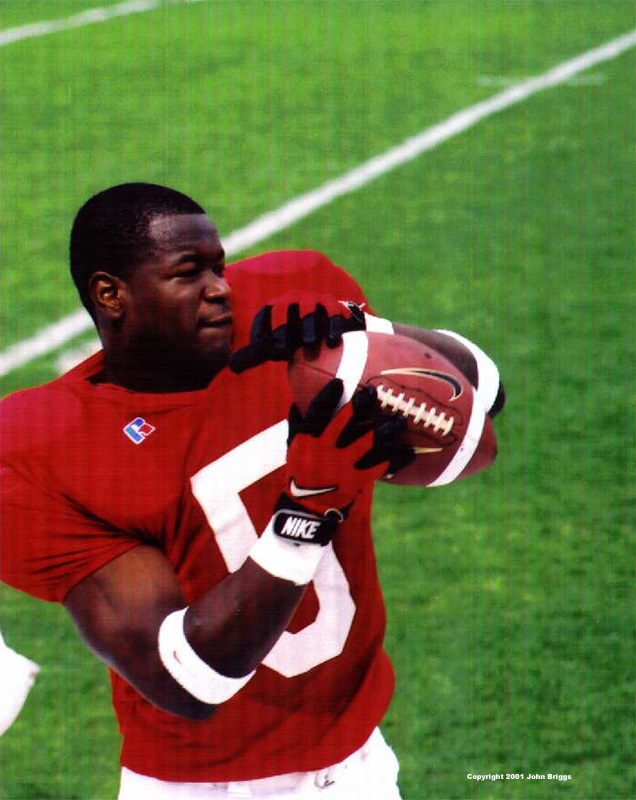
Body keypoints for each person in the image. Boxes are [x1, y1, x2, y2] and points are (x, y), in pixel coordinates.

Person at [1, 183, 504, 799]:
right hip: (200, 788)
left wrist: (366, 335)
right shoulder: (37, 448)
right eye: (188, 273)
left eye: (218, 265)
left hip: (360, 768)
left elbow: (482, 395)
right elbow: (189, 683)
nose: (220, 288)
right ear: (111, 294)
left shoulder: (288, 299)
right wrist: (307, 509)